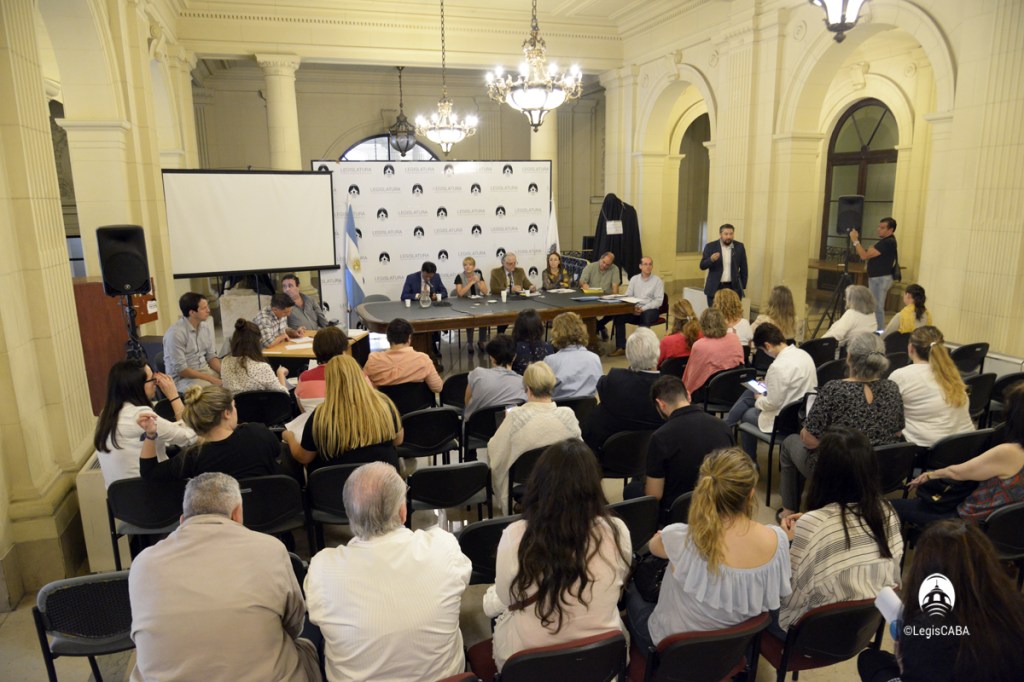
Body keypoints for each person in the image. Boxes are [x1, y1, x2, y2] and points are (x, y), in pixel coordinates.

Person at [128, 472, 319, 682]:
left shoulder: (143, 563)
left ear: (182, 520)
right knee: (305, 644)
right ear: (237, 514)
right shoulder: (270, 549)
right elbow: (293, 623)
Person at [305, 462, 472, 682]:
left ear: (349, 515)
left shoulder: (322, 569)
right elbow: (462, 580)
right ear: (403, 512)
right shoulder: (443, 547)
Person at [482, 439, 631, 672]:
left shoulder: (516, 536)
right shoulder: (617, 530)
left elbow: (506, 597)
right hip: (600, 658)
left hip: (532, 663)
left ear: (540, 484)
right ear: (594, 485)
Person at [625, 448, 790, 656]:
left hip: (672, 648)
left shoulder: (681, 537)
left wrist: (666, 536)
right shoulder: (779, 540)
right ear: (750, 493)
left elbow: (653, 547)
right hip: (733, 649)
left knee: (630, 589)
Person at [856, 519, 1024, 682]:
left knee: (870, 660)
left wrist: (903, 658)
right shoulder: (1013, 607)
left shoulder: (927, 631)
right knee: (874, 660)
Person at [777, 427, 902, 635]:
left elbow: (790, 597)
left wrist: (787, 543)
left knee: (751, 595)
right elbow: (894, 576)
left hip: (815, 631)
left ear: (824, 471)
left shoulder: (815, 523)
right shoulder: (887, 511)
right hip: (866, 625)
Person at [778, 332, 904, 518]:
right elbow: (897, 434)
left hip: (837, 471)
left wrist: (837, 446)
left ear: (849, 358)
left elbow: (810, 440)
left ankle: (789, 510)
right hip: (876, 470)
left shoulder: (834, 389)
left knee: (790, 442)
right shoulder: (892, 388)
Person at [892, 382, 1024, 527]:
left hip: (969, 522)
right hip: (1009, 527)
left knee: (887, 507)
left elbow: (956, 473)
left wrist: (929, 475)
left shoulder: (1009, 452)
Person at [482, 362, 580, 513]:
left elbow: (496, 453)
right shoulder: (568, 415)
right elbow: (579, 454)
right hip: (561, 480)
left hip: (525, 482)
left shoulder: (515, 417)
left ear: (527, 389)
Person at [283, 355, 403, 474]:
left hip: (335, 486)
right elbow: (398, 440)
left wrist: (289, 437)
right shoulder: (384, 404)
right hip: (383, 481)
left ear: (330, 382)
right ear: (360, 375)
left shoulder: (321, 416)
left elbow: (304, 457)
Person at [136, 385, 282, 481]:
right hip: (269, 515)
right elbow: (276, 451)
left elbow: (149, 474)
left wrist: (150, 435)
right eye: (234, 406)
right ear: (226, 413)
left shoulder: (193, 457)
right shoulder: (258, 433)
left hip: (221, 522)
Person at [93, 359, 196, 488]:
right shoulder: (141, 415)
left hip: (121, 501)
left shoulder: (106, 414)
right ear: (137, 386)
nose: (156, 383)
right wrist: (173, 396)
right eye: (152, 379)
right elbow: (188, 437)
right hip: (153, 493)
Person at [637, 376, 733, 512]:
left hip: (679, 512)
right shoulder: (723, 427)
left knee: (632, 490)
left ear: (661, 404)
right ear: (688, 395)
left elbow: (654, 495)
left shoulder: (660, 437)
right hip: (719, 506)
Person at [725, 323, 817, 463]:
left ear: (768, 346)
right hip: (801, 415)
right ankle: (726, 427)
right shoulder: (804, 355)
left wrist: (759, 398)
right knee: (750, 392)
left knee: (747, 413)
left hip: (783, 419)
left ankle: (750, 461)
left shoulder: (777, 366)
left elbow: (771, 404)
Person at [582, 328, 663, 454]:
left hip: (608, 453)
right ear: (658, 353)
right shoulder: (667, 389)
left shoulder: (614, 379)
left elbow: (601, 389)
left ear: (628, 355)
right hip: (649, 455)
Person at [888, 326, 973, 447]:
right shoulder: (952, 374)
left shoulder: (901, 375)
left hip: (926, 450)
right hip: (964, 447)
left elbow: (889, 418)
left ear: (911, 348)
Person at [362, 318, 442, 393]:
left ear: (388, 338)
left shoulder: (373, 360)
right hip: (418, 407)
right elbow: (437, 388)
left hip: (384, 406)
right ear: (409, 338)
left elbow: (363, 387)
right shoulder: (423, 359)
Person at [163, 292, 221, 391]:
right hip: (183, 379)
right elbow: (181, 370)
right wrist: (211, 379)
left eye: (207, 306)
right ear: (192, 313)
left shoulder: (204, 327)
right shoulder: (175, 334)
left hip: (204, 371)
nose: (208, 310)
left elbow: (211, 356)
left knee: (231, 381)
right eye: (204, 308)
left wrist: (224, 373)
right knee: (211, 391)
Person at [681, 308, 744, 397]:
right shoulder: (734, 338)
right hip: (733, 389)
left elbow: (693, 375)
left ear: (702, 325)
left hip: (710, 393)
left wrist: (685, 392)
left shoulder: (699, 345)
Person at [850, 217, 899, 330]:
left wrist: (855, 241)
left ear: (890, 230)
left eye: (882, 228)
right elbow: (869, 251)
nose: (878, 229)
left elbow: (864, 255)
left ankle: (879, 333)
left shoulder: (888, 242)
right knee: (875, 306)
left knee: (877, 307)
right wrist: (870, 249)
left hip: (881, 278)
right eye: (878, 227)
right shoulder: (885, 241)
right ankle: (874, 329)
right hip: (877, 278)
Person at [610, 256, 665, 356]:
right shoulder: (634, 279)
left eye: (650, 264)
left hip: (650, 309)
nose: (648, 267)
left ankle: (643, 348)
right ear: (640, 266)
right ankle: (621, 346)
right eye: (645, 264)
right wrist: (631, 308)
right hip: (635, 308)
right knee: (619, 316)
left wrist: (643, 308)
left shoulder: (657, 281)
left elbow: (658, 301)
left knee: (645, 316)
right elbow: (629, 295)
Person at [464, 335, 527, 420]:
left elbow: (467, 403)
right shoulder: (524, 383)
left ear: (491, 357)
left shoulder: (477, 375)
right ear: (514, 356)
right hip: (508, 430)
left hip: (475, 430)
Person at [544, 312, 602, 400]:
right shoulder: (594, 358)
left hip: (558, 409)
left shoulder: (550, 361)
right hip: (587, 409)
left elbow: (545, 390)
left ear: (555, 332)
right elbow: (598, 385)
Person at [220, 319, 288, 393]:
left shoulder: (225, 362)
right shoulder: (261, 367)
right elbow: (284, 395)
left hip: (234, 404)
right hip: (261, 404)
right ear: (257, 343)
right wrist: (280, 374)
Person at [295, 325, 348, 411]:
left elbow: (302, 409)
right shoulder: (357, 375)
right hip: (349, 423)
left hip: (314, 423)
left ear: (315, 350)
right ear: (343, 350)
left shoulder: (304, 378)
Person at [578, 251, 626, 340]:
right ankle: (599, 328)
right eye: (603, 262)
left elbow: (615, 288)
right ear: (600, 258)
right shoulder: (591, 266)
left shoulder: (614, 269)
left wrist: (614, 295)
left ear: (611, 264)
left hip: (606, 297)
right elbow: (582, 281)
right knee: (585, 312)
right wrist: (584, 284)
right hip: (591, 297)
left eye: (608, 264)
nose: (604, 265)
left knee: (616, 311)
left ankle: (597, 327)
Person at [700, 223, 748, 308]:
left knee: (731, 314)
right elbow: (702, 265)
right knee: (715, 315)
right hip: (715, 287)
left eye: (731, 234)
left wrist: (742, 286)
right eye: (726, 234)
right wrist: (711, 259)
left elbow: (744, 268)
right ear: (720, 234)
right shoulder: (711, 246)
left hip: (732, 287)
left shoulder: (739, 247)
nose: (729, 237)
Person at [454, 256, 490, 353]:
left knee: (483, 318)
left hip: (478, 301)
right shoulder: (459, 276)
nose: (467, 267)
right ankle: (470, 342)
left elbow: (486, 292)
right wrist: (470, 283)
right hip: (465, 302)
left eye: (470, 265)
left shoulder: (478, 275)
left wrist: (477, 282)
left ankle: (481, 341)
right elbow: (460, 293)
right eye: (465, 265)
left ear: (474, 266)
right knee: (470, 319)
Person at [822, 284, 877, 348]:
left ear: (854, 301)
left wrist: (817, 344)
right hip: (865, 350)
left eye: (847, 298)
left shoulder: (852, 313)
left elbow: (835, 335)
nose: (845, 300)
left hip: (847, 352)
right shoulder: (872, 314)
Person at [658, 299, 702, 367]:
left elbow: (655, 365)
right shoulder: (703, 336)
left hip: (670, 376)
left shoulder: (666, 342)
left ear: (675, 319)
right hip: (695, 376)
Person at [510, 308, 553, 375]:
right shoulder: (548, 347)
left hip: (519, 383)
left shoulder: (512, 348)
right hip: (542, 382)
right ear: (539, 327)